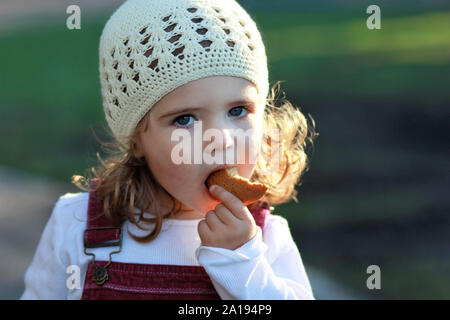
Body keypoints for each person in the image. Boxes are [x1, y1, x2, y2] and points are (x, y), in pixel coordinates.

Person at [21, 0, 318, 300]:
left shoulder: (266, 238)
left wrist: (243, 265)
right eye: (185, 119)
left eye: (238, 110)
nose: (221, 139)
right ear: (136, 140)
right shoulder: (78, 225)